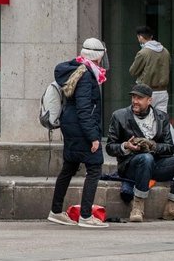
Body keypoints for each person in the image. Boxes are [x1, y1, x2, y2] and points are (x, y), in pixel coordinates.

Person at [104, 83, 174, 222]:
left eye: (139, 98)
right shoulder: (119, 116)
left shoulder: (161, 117)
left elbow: (170, 148)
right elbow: (110, 147)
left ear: (149, 100)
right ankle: (137, 207)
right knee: (146, 158)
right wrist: (126, 146)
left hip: (156, 164)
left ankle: (172, 208)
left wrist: (152, 146)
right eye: (133, 97)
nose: (135, 101)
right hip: (131, 165)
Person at [47, 38, 108, 229]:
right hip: (82, 128)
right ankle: (86, 215)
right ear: (98, 57)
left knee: (69, 167)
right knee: (95, 167)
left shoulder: (77, 69)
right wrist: (93, 137)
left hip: (71, 126)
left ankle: (56, 211)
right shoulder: (86, 76)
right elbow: (84, 109)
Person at [130, 26, 174, 154]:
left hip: (146, 92)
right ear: (152, 37)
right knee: (163, 120)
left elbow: (133, 71)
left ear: (140, 37)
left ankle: (144, 148)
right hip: (163, 91)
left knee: (141, 120)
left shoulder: (143, 53)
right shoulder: (165, 51)